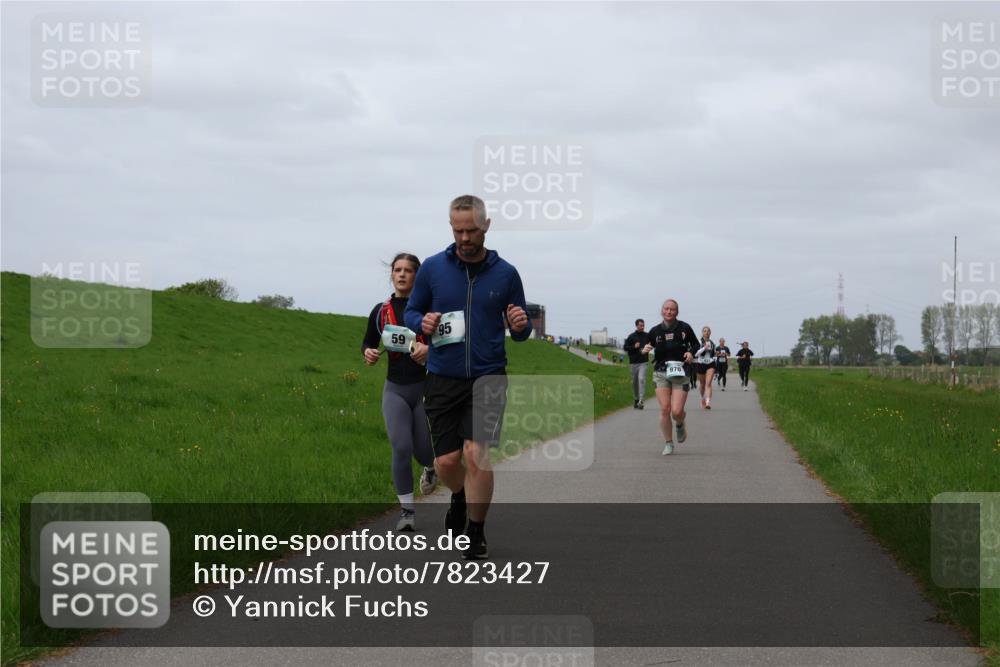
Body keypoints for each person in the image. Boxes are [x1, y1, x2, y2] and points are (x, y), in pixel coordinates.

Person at [404, 194, 531, 560]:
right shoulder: (431, 268)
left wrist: (520, 326)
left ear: (486, 225)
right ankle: (459, 495)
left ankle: (475, 531)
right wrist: (420, 322)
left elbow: (520, 329)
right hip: (442, 375)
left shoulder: (506, 273)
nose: (464, 238)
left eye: (472, 230)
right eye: (458, 230)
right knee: (446, 462)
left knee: (477, 455)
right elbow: (413, 312)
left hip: (489, 374)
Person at [361, 253, 436, 532]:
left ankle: (431, 468)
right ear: (391, 275)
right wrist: (368, 353)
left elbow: (444, 343)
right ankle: (407, 512)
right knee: (401, 447)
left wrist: (429, 350)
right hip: (394, 389)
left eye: (408, 270)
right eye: (397, 270)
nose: (402, 275)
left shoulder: (428, 311)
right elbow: (368, 343)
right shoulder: (380, 311)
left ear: (417, 276)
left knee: (424, 451)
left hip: (425, 388)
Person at [641, 299, 699, 455]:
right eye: (666, 309)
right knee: (665, 409)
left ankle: (680, 423)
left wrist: (690, 352)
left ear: (677, 312)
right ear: (662, 311)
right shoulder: (655, 331)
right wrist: (645, 349)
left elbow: (696, 344)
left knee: (677, 411)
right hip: (661, 371)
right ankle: (668, 443)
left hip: (680, 371)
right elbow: (646, 347)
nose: (669, 312)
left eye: (672, 309)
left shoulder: (684, 328)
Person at [624, 318, 651, 409]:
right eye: (640, 325)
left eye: (643, 325)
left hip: (643, 362)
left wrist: (650, 347)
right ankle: (636, 398)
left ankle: (641, 401)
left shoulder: (647, 336)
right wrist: (634, 347)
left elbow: (652, 344)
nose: (642, 327)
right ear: (636, 326)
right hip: (633, 363)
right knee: (634, 382)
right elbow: (625, 347)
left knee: (641, 379)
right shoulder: (631, 336)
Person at [693, 326, 717, 409]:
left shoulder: (712, 343)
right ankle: (702, 398)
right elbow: (695, 354)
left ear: (710, 333)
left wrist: (715, 354)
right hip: (701, 364)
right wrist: (704, 348)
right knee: (702, 384)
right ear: (702, 333)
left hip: (710, 364)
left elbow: (713, 354)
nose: (706, 332)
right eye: (705, 331)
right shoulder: (698, 342)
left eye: (708, 331)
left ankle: (708, 402)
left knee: (708, 383)